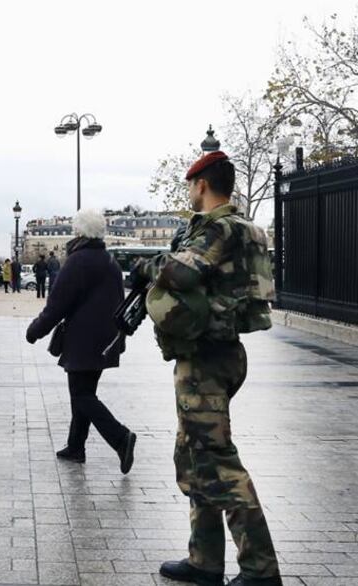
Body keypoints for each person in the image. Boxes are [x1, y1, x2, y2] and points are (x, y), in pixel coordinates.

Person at [133, 152, 281, 586]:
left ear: (201, 183)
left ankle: (260, 569)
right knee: (195, 456)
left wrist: (146, 266)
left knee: (216, 461)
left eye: (190, 184)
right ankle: (204, 561)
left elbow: (179, 273)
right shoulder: (248, 229)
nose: (189, 191)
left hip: (207, 359)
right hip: (221, 351)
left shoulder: (218, 227)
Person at [25, 209, 136, 473]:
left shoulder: (78, 261)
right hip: (106, 338)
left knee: (82, 395)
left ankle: (120, 437)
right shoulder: (110, 261)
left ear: (79, 232)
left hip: (83, 338)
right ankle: (76, 446)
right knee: (85, 391)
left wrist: (35, 330)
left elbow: (57, 304)